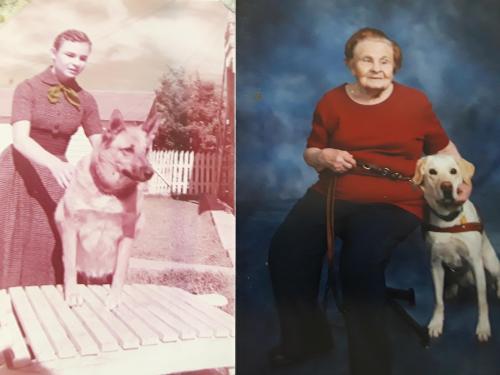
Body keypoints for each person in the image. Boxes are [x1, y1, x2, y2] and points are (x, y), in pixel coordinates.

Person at [268, 27, 472, 375]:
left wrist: (463, 180)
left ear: (395, 66)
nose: (377, 68)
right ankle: (307, 339)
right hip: (333, 193)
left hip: (395, 201)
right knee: (285, 250)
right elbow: (311, 151)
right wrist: (324, 157)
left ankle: (370, 367)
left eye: (385, 61)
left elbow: (443, 148)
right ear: (351, 65)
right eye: (367, 60)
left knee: (359, 265)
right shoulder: (331, 102)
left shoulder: (415, 103)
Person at [0, 29, 102, 288]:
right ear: (53, 54)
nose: (75, 62)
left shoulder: (87, 100)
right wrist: (55, 163)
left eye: (82, 58)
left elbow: (101, 146)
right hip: (17, 171)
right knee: (9, 237)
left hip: (56, 175)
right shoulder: (28, 88)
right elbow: (20, 139)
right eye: (69, 54)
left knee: (49, 238)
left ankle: (45, 306)